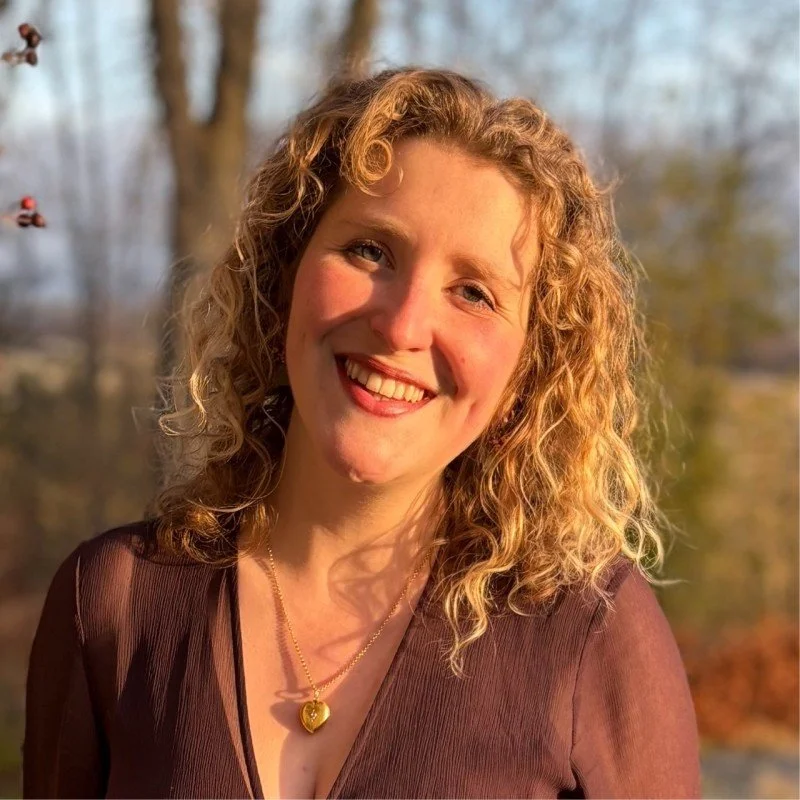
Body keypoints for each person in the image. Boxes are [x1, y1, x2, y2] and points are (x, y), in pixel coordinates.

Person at [23, 67, 700, 798]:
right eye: (371, 251)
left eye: (473, 292)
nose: (403, 325)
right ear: (284, 280)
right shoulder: (115, 604)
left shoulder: (589, 635)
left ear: (526, 375)